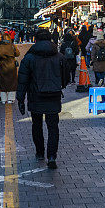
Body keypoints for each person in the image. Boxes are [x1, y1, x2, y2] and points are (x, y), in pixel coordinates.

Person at [16, 29, 66, 169]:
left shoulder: (29, 57)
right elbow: (66, 77)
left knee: (36, 125)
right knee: (53, 127)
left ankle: (39, 152)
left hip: (35, 96)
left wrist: (20, 99)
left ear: (35, 39)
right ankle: (51, 156)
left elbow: (23, 80)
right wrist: (58, 85)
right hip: (53, 96)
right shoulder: (59, 56)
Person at [0, 33, 20, 103]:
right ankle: (11, 99)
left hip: (3, 66)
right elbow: (18, 54)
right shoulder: (12, 46)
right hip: (12, 66)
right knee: (12, 82)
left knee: (3, 83)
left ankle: (3, 99)